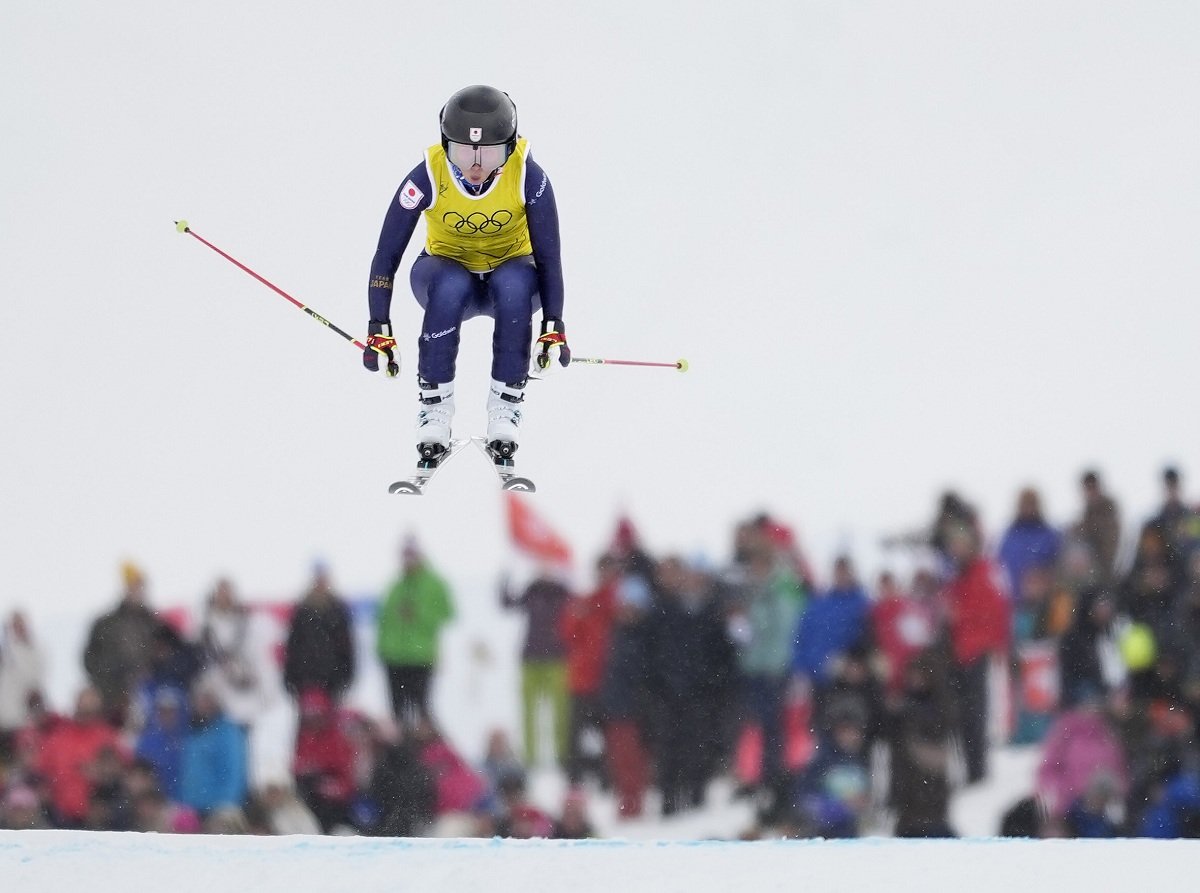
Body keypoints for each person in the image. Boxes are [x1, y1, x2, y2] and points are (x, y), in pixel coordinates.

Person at [363, 84, 569, 474]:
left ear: (510, 147)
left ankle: (505, 407)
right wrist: (379, 325)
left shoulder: (529, 176)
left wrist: (553, 323)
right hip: (443, 273)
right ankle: (434, 409)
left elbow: (549, 257)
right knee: (451, 285)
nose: (476, 166)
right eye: (462, 151)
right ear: (445, 146)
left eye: (489, 153)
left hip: (512, 276)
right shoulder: (427, 175)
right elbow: (386, 254)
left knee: (514, 284)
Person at [941, 522, 1010, 784]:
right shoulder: (955, 577)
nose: (956, 550)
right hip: (958, 653)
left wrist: (996, 645)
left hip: (978, 652)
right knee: (961, 716)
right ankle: (970, 770)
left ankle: (978, 771)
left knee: (976, 714)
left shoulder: (986, 572)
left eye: (961, 544)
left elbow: (997, 611)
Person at [376, 539, 456, 728]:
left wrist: (418, 613)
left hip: (420, 657)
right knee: (397, 713)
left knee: (422, 712)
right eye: (405, 555)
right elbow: (383, 620)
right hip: (394, 657)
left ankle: (425, 746)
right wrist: (382, 650)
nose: (408, 560)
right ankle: (402, 746)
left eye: (411, 555)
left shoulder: (434, 584)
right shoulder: (395, 586)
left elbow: (448, 614)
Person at [501, 566, 570, 766]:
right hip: (531, 659)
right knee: (529, 711)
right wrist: (504, 582)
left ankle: (561, 755)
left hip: (556, 660)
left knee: (560, 711)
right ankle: (530, 757)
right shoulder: (532, 590)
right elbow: (507, 603)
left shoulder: (563, 593)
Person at [83, 561, 166, 724]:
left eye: (140, 586)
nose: (137, 591)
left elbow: (165, 656)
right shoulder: (106, 624)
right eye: (133, 586)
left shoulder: (155, 623)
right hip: (112, 699)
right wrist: (107, 682)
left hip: (147, 696)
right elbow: (90, 659)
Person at [283, 562, 356, 703]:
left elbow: (346, 646)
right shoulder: (302, 609)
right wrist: (290, 677)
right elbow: (293, 646)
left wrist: (345, 676)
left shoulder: (338, 609)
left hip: (332, 680)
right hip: (305, 680)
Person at [997, 487, 1062, 602]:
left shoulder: (1050, 535)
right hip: (1014, 601)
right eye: (1025, 504)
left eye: (1031, 503)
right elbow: (1000, 567)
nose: (1028, 508)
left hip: (1044, 601)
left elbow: (1057, 566)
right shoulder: (1010, 536)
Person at [0, 611, 46, 736]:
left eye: (20, 624)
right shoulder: (6, 650)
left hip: (24, 716)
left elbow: (36, 676)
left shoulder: (36, 649)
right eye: (14, 625)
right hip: (5, 713)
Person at [1074, 470, 1122, 583]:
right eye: (1088, 488)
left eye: (1092, 488)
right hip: (1094, 567)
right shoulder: (1087, 511)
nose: (1090, 493)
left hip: (1107, 566)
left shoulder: (1108, 508)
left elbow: (1110, 538)